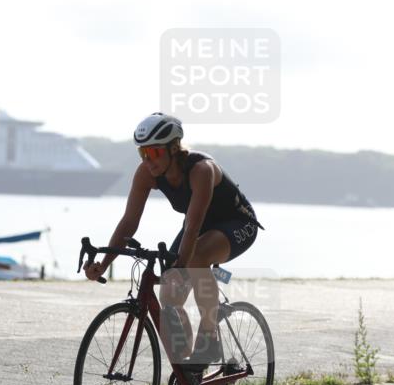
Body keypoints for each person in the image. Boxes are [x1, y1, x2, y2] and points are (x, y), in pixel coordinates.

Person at [83, 113, 263, 370]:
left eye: (154, 153)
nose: (148, 160)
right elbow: (128, 222)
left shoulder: (201, 170)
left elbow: (193, 227)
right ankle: (188, 371)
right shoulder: (147, 173)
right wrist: (103, 261)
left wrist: (180, 266)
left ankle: (209, 339)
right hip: (198, 226)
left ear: (173, 148)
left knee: (195, 259)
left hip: (236, 223)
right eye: (142, 153)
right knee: (169, 295)